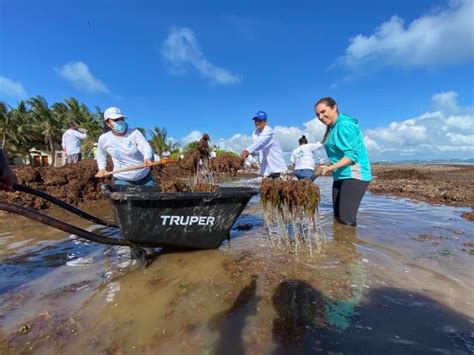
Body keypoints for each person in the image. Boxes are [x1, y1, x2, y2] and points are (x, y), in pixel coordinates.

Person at [314, 97, 372, 227]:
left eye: (323, 112)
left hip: (355, 175)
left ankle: (350, 246)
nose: (320, 117)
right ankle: (340, 246)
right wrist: (328, 165)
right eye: (318, 114)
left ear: (334, 107)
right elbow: (338, 156)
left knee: (346, 219)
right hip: (340, 175)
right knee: (337, 217)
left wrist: (329, 169)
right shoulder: (332, 128)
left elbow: (351, 156)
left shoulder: (344, 125)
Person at [95, 107, 154, 186]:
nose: (120, 122)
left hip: (144, 176)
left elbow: (145, 146)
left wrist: (147, 158)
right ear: (108, 124)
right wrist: (102, 169)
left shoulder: (134, 133)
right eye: (115, 120)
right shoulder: (104, 138)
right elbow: (101, 154)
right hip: (122, 178)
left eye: (121, 119)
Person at [240, 111, 287, 178]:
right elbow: (257, 149)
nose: (257, 122)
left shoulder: (269, 131)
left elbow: (261, 142)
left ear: (266, 122)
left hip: (278, 169)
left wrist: (247, 150)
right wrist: (247, 155)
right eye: (255, 120)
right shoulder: (255, 134)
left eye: (260, 120)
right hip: (266, 171)